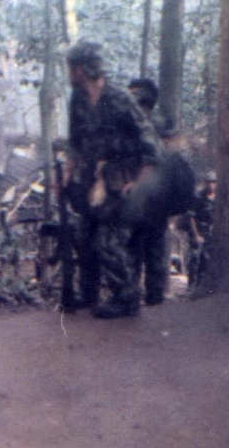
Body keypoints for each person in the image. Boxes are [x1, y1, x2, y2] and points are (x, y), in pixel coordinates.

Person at [63, 41, 161, 318]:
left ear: (80, 70)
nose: (69, 73)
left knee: (109, 239)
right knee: (86, 235)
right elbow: (75, 141)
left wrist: (139, 183)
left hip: (121, 178)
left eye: (71, 68)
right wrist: (67, 173)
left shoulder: (120, 99)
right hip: (90, 180)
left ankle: (126, 297)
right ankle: (88, 293)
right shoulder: (78, 99)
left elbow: (150, 144)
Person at [126, 78, 168, 306]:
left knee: (142, 246)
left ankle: (142, 295)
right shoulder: (158, 123)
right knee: (149, 247)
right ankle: (150, 296)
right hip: (150, 194)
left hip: (148, 193)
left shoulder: (146, 124)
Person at [183, 170, 216, 286]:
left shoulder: (218, 197)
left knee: (206, 259)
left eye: (213, 182)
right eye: (209, 182)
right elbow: (191, 217)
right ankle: (191, 285)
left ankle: (201, 285)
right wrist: (196, 235)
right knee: (194, 258)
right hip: (198, 230)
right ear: (205, 183)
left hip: (210, 231)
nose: (211, 185)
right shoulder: (198, 196)